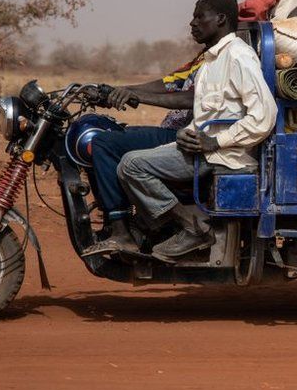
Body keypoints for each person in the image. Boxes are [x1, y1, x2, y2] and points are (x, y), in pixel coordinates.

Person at [118, 0, 277, 260]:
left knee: (131, 165)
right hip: (202, 150)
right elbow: (206, 112)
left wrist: (216, 141)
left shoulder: (238, 56)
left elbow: (264, 114)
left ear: (221, 19)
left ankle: (193, 228)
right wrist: (187, 133)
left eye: (199, 17)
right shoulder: (209, 62)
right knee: (131, 157)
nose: (192, 23)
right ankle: (153, 227)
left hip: (220, 155)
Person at [80, 48, 206, 257]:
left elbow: (193, 98)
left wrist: (135, 96)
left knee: (103, 143)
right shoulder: (202, 58)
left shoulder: (220, 58)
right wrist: (116, 91)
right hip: (174, 131)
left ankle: (122, 232)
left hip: (185, 136)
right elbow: (168, 83)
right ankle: (130, 222)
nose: (192, 29)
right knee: (115, 133)